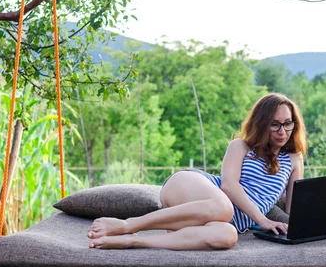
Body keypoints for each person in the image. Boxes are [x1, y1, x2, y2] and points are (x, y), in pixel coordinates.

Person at [87, 93, 306, 250]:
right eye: (274, 124)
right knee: (224, 207)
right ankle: (127, 225)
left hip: (223, 221)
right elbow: (229, 186)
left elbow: (294, 210)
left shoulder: (295, 159)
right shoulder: (240, 146)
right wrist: (263, 220)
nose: (282, 131)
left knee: (228, 237)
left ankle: (133, 241)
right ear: (261, 124)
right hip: (192, 187)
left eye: (287, 124)